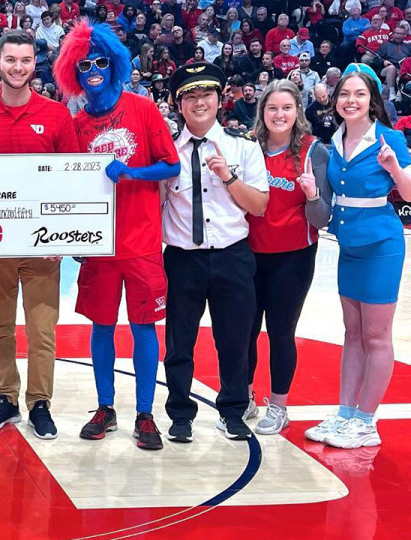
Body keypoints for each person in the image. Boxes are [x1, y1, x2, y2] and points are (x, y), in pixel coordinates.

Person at [54, 22, 181, 451]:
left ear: (114, 64)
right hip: (98, 246)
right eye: (84, 65)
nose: (93, 70)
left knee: (144, 327)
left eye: (100, 62)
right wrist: (71, 237)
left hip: (142, 241)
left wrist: (132, 172)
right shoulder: (74, 123)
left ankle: (145, 413)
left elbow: (171, 164)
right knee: (102, 326)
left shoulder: (142, 109)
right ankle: (105, 407)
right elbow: (66, 185)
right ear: (73, 72)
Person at [0, 30, 79, 440]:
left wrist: (63, 237)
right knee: (0, 327)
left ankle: (40, 403)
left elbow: (71, 179)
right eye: (11, 59)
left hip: (42, 245)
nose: (18, 67)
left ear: (36, 64)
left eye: (26, 60)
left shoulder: (56, 115)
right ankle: (6, 397)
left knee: (41, 331)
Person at [304, 65, 411, 449]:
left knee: (376, 336)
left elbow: (410, 193)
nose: (351, 100)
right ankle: (345, 413)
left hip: (381, 245)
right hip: (347, 245)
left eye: (359, 94)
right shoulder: (334, 140)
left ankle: (366, 422)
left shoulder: (389, 138)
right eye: (345, 94)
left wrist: (394, 167)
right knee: (352, 334)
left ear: (373, 100)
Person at [163, 62, 269, 443]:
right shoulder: (167, 153)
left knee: (235, 340)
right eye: (190, 96)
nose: (199, 102)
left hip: (232, 255)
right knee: (179, 342)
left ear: (220, 99)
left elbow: (259, 205)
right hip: (182, 258)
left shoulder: (244, 147)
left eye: (206, 93)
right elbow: (155, 205)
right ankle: (180, 413)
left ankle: (233, 411)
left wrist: (228, 176)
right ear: (178, 104)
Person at [245, 80, 331, 435]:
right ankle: (244, 398)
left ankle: (278, 406)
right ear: (262, 112)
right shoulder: (248, 147)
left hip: (292, 257)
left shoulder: (314, 151)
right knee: (244, 331)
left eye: (286, 108)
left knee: (281, 332)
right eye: (272, 108)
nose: (279, 115)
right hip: (248, 253)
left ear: (298, 112)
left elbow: (322, 218)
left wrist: (312, 196)